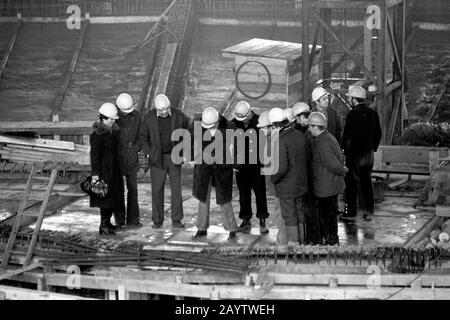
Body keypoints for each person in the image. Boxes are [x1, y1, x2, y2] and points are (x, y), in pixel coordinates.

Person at [139, 93, 191, 229]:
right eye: (160, 111)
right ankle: (157, 220)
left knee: (176, 189)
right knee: (157, 190)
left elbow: (188, 131)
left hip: (174, 157)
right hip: (157, 159)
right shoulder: (149, 118)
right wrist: (149, 154)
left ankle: (177, 219)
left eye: (165, 110)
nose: (163, 113)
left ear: (169, 106)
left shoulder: (178, 115)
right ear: (156, 109)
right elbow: (143, 137)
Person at [191, 107, 238, 241]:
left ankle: (232, 229)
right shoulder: (197, 123)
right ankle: (201, 228)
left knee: (224, 200)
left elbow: (236, 149)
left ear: (217, 121)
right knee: (202, 198)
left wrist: (234, 164)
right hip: (204, 166)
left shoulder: (230, 127)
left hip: (222, 167)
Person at [341, 86, 382, 221]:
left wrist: (344, 150)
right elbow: (378, 134)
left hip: (354, 155)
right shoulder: (372, 113)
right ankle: (369, 211)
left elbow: (347, 135)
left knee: (351, 184)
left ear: (354, 99)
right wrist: (373, 148)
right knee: (366, 182)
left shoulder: (352, 115)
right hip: (368, 155)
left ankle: (351, 212)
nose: (348, 99)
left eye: (349, 97)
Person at [270, 108, 308, 244]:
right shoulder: (299, 134)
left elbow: (281, 168)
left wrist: (272, 179)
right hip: (301, 184)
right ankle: (302, 242)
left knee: (290, 216)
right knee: (300, 213)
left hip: (287, 187)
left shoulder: (280, 140)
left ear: (275, 125)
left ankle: (293, 245)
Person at [308, 112, 347, 245]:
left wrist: (343, 170)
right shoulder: (329, 137)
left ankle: (329, 242)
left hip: (325, 187)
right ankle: (332, 240)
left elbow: (332, 164)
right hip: (329, 185)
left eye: (310, 127)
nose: (308, 129)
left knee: (327, 217)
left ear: (315, 127)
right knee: (331, 216)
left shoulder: (322, 142)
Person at [231, 101, 269, 234]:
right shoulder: (234, 123)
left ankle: (262, 220)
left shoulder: (260, 121)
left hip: (257, 165)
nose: (243, 121)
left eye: (245, 118)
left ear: (250, 113)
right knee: (243, 194)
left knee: (260, 193)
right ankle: (246, 220)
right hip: (241, 167)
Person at [90, 103, 125, 235]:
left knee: (113, 198)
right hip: (103, 173)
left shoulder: (113, 131)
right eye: (110, 119)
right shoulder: (97, 134)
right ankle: (103, 225)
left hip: (114, 171)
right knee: (104, 198)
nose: (113, 121)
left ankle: (108, 223)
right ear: (103, 118)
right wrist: (95, 175)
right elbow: (94, 156)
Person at [291, 102, 321, 244]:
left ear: (302, 116)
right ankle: (313, 237)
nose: (297, 122)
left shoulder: (307, 134)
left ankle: (312, 238)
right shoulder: (310, 131)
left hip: (309, 177)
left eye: (298, 119)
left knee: (309, 208)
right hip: (312, 176)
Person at [258, 111, 286, 244]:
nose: (261, 130)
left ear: (271, 126)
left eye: (263, 128)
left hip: (279, 184)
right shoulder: (270, 140)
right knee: (280, 212)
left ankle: (282, 242)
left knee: (281, 213)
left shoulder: (276, 141)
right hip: (276, 184)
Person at [115, 93, 142, 228]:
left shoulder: (136, 116)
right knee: (118, 190)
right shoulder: (113, 117)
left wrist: (135, 148)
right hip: (117, 156)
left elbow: (141, 135)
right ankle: (120, 221)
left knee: (133, 190)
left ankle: (133, 220)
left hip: (131, 156)